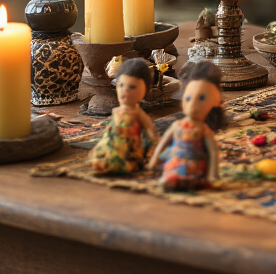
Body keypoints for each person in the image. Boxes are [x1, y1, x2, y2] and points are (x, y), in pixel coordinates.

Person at [149, 61, 225, 191]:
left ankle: (182, 180)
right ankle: (172, 178)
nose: (193, 104)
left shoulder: (203, 130)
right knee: (172, 173)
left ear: (216, 102)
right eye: (188, 98)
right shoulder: (177, 125)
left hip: (194, 164)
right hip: (176, 160)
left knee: (190, 178)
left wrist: (212, 174)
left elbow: (213, 153)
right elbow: (163, 143)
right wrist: (154, 159)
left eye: (201, 98)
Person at [91, 57, 159, 175]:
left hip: (130, 150)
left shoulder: (137, 114)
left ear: (144, 90)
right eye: (121, 85)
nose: (124, 91)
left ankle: (118, 164)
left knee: (123, 162)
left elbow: (150, 131)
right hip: (112, 145)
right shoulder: (117, 110)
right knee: (99, 156)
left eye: (132, 87)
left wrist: (154, 146)